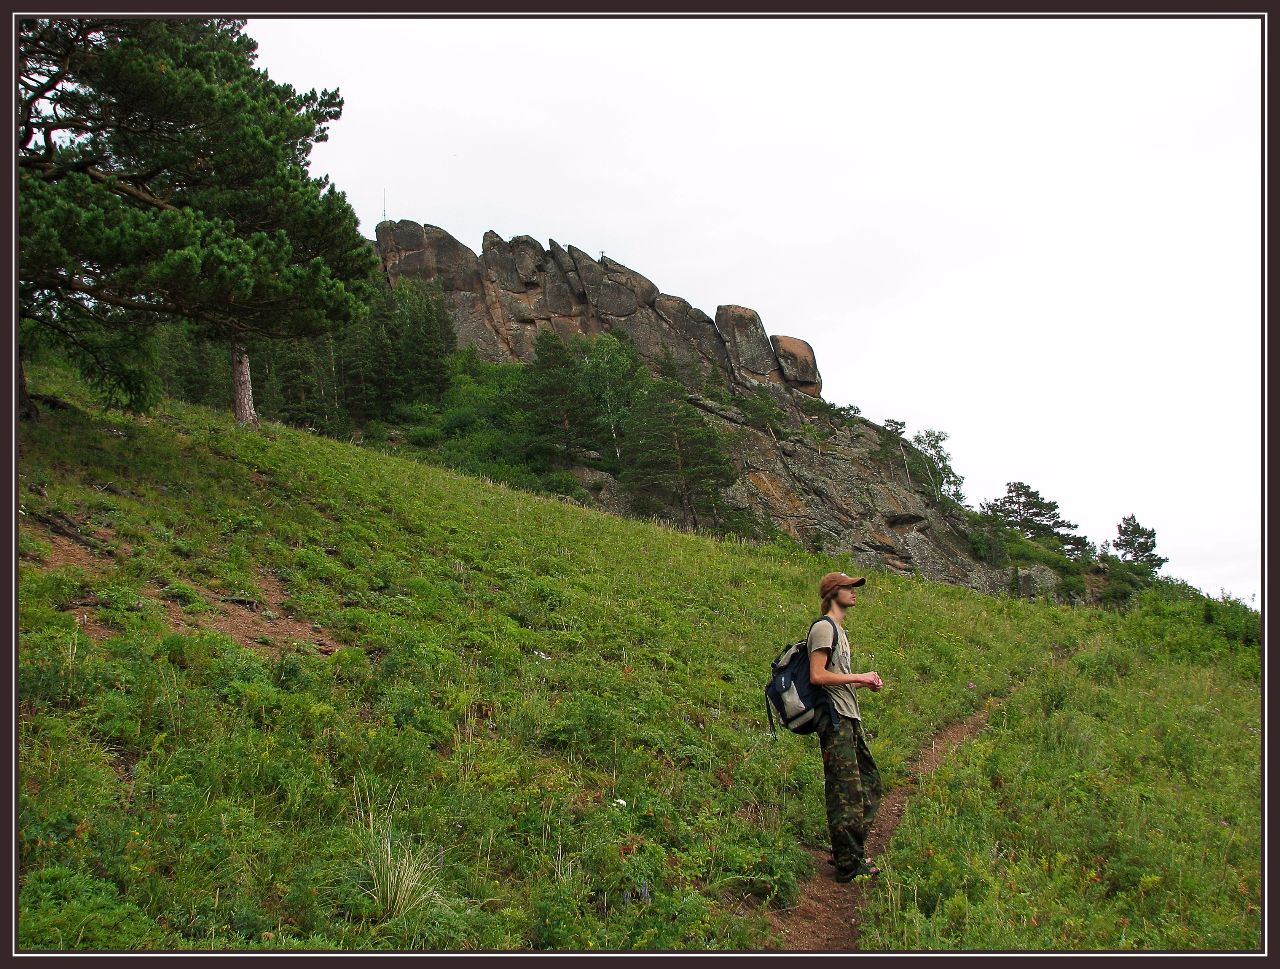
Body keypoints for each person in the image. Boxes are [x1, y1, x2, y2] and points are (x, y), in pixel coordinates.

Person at [807, 571, 884, 883]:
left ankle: (846, 850)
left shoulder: (838, 629)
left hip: (847, 717)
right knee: (845, 791)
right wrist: (859, 677)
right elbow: (817, 675)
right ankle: (848, 863)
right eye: (848, 587)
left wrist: (863, 683)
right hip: (836, 719)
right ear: (833, 591)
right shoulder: (824, 628)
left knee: (866, 784)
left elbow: (832, 675)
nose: (854, 592)